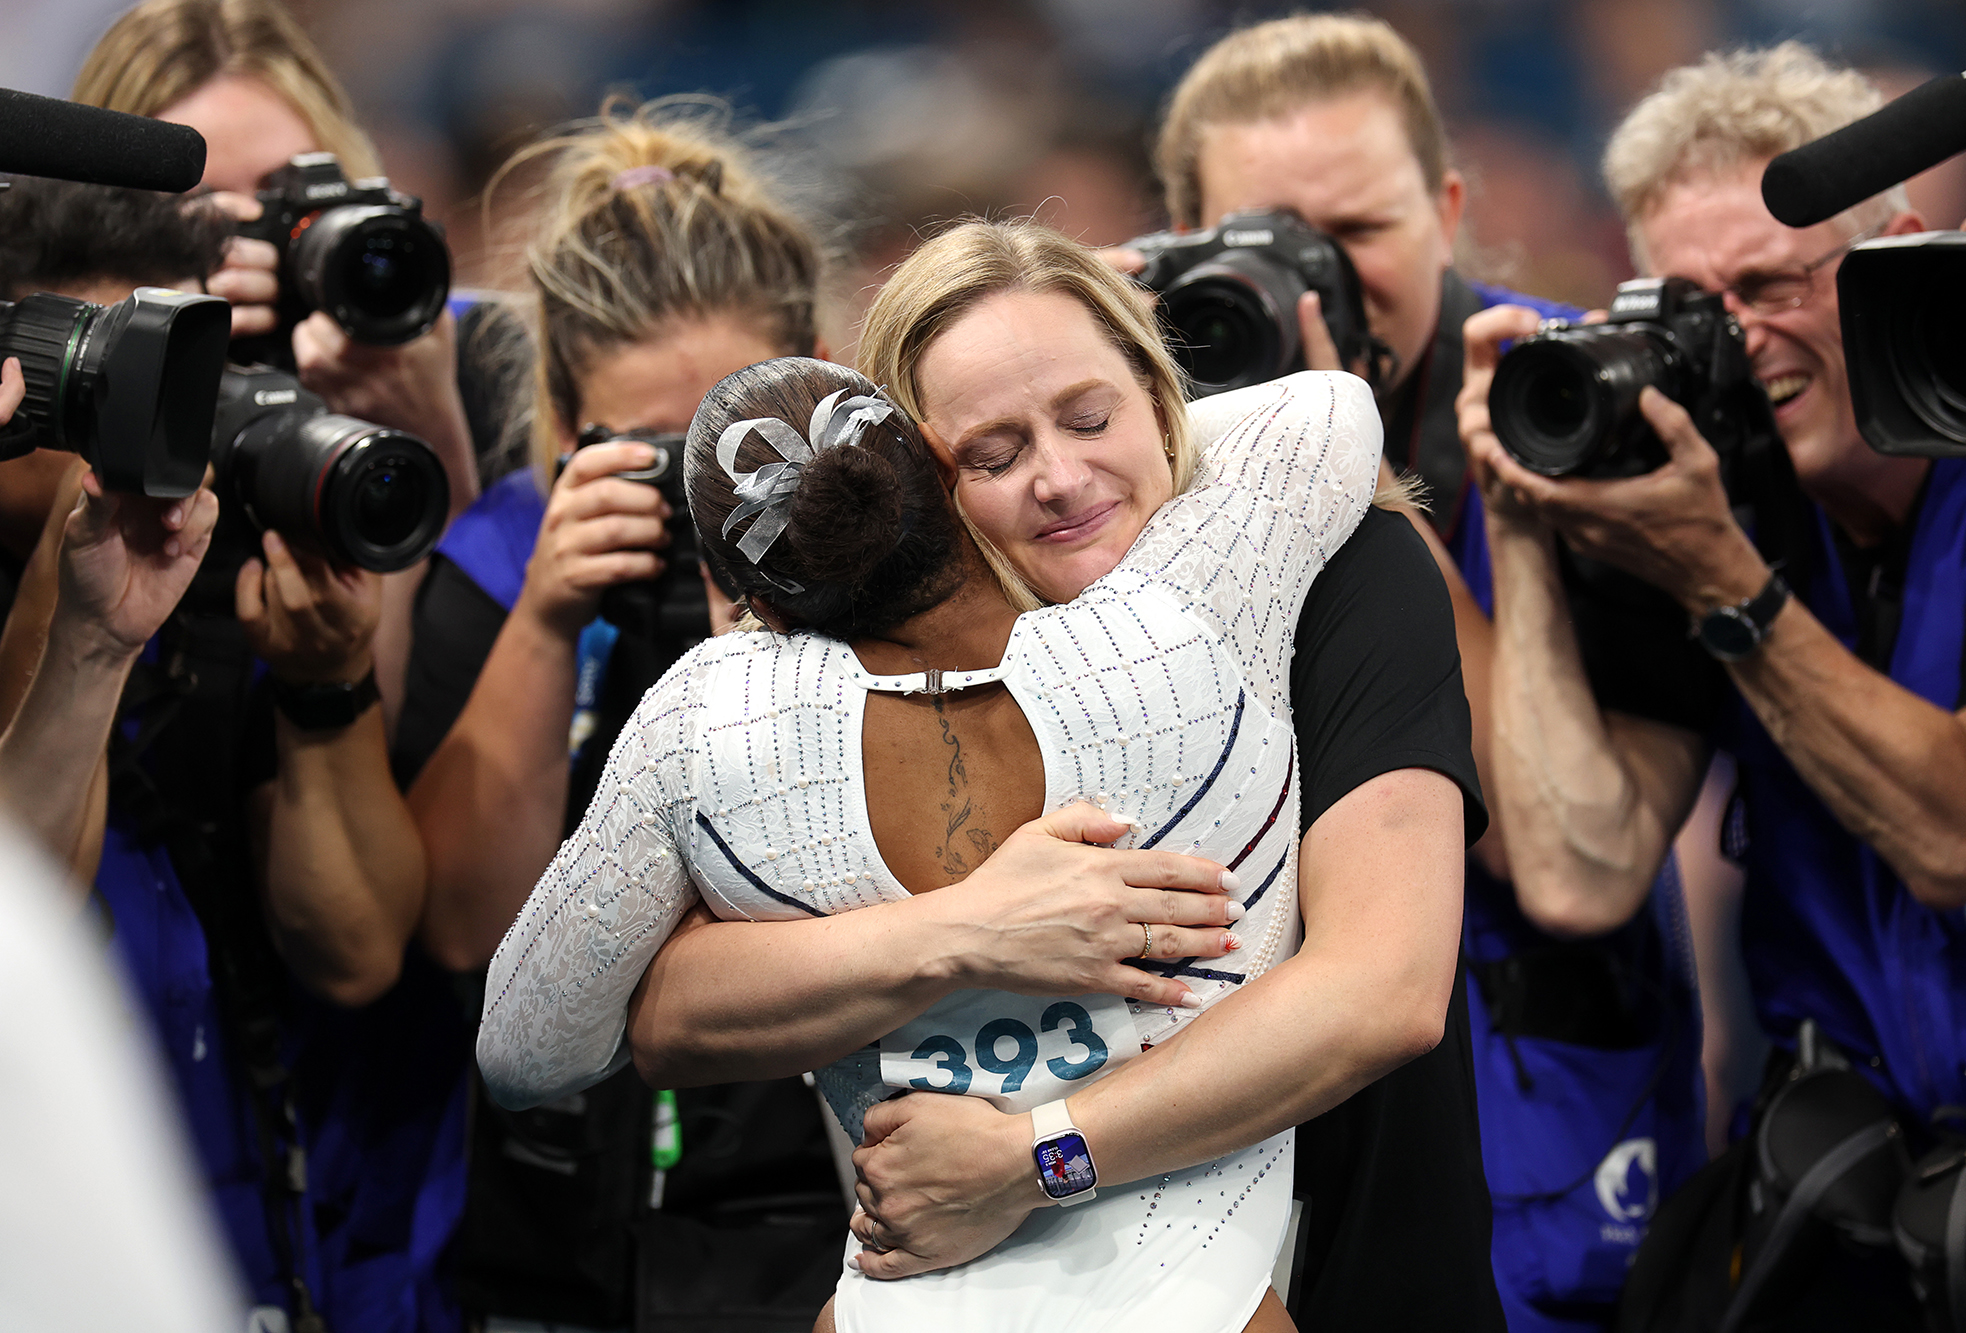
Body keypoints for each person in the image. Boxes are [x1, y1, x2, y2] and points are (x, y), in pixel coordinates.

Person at [483, 218, 1473, 1330]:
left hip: (1348, 1247)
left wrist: (1030, 1161)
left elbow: (1380, 990)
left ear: (1158, 388)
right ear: (912, 476)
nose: (1059, 478)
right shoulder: (809, 701)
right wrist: (970, 928)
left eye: (1091, 414)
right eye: (991, 457)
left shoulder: (1308, 560)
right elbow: (661, 1018)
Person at [1149, 17, 1706, 1329]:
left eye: (1359, 232)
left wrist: (1347, 459)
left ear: (1448, 208)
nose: (1317, 274)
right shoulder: (1123, 432)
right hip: (1239, 1138)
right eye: (1265, 234)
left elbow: (1576, 869)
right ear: (1179, 232)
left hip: (1551, 1157)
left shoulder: (1590, 403)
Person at [1457, 42, 1966, 1326]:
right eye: (1691, 307)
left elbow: (1961, 831)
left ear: (1899, 255)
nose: (1736, 344)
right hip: (1842, 1174)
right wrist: (1521, 535)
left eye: (1769, 285)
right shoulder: (1689, 500)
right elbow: (1577, 868)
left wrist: (1721, 581)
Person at [389, 100, 854, 1327]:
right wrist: (547, 620)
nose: (707, 493)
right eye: (658, 450)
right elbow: (463, 934)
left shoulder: (883, 578)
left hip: (818, 1224)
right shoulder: (498, 572)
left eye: (738, 440)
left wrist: (762, 638)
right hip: (552, 1239)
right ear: (561, 428)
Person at [0, 176, 435, 1331]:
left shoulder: (219, 602)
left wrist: (326, 684)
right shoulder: (91, 602)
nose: (171, 419)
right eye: (124, 373)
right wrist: (82, 627)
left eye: (190, 363)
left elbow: (353, 949)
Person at [74, 0, 484, 719]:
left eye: (281, 200)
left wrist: (434, 442)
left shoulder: (449, 353)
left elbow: (417, 745)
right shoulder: (57, 383)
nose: (253, 245)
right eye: (200, 210)